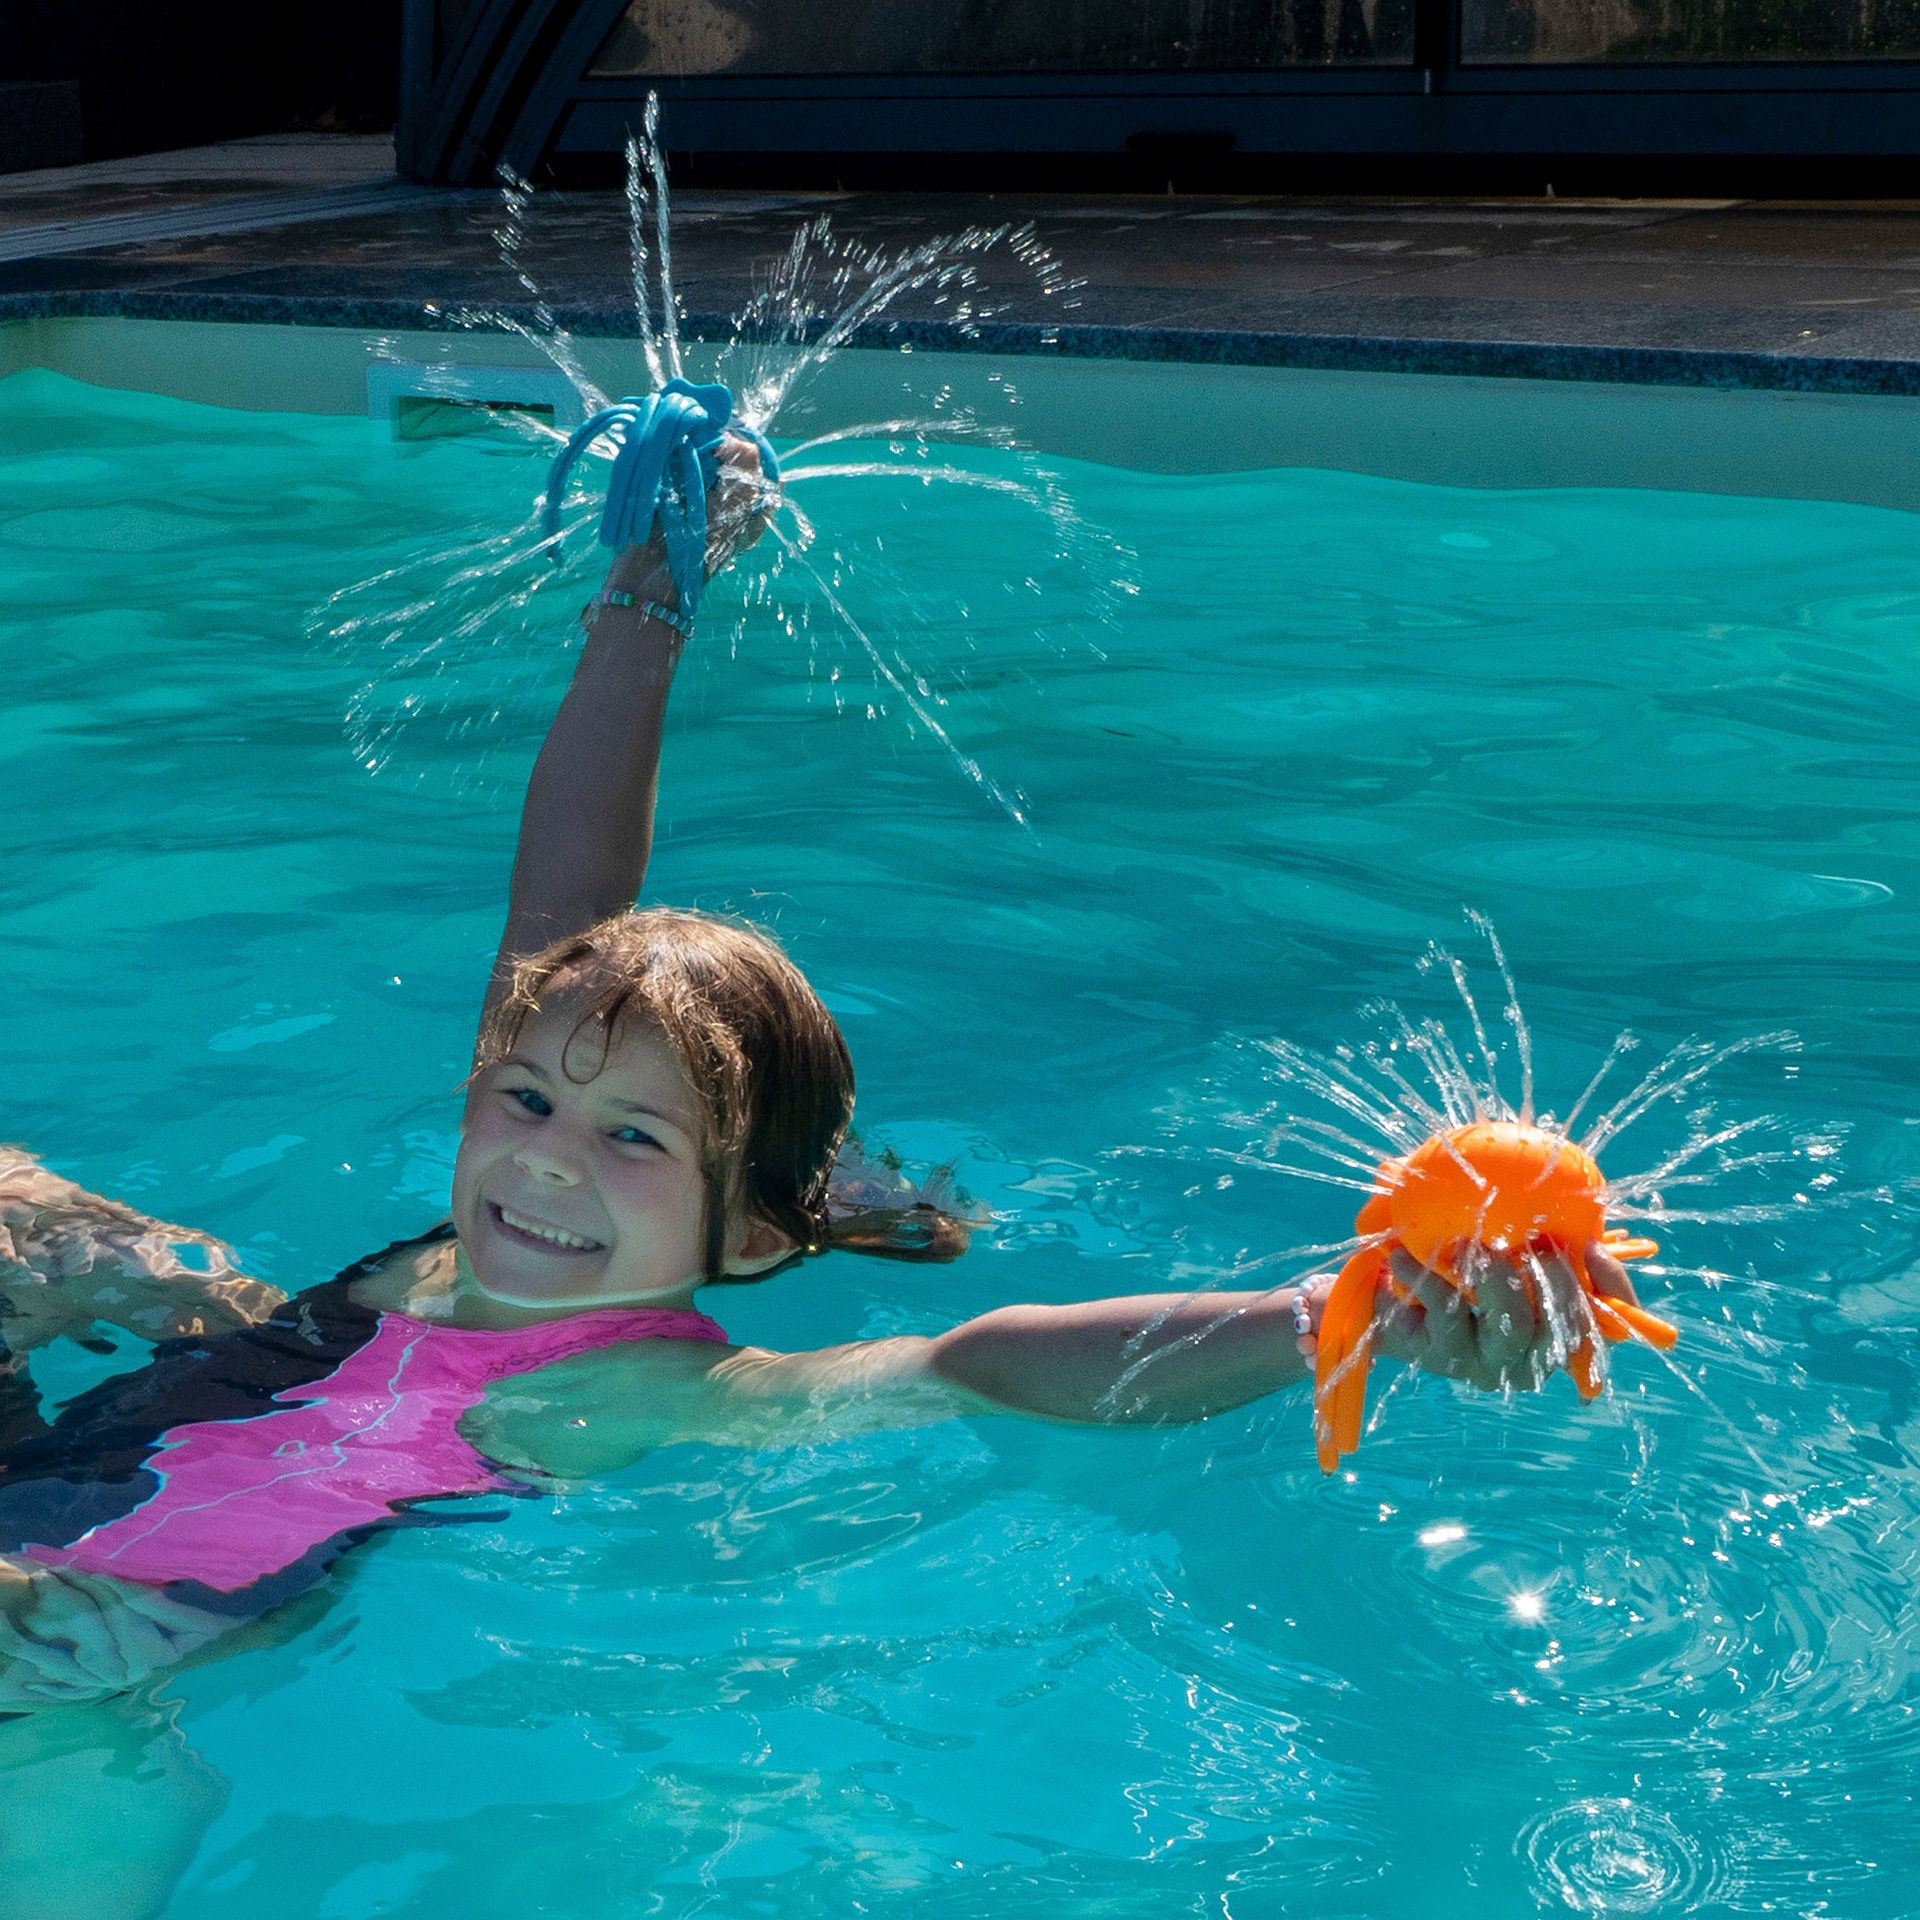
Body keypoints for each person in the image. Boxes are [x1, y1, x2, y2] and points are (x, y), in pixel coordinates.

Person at [0, 436, 1646, 1738]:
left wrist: (1323, 1315)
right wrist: (648, 601)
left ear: (758, 1237)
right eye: (525, 1101)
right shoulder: (469, 1227)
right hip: (112, 1439)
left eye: (632, 1136)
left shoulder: (630, 1385)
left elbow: (978, 1368)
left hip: (82, 1634)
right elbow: (563, 898)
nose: (549, 1164)